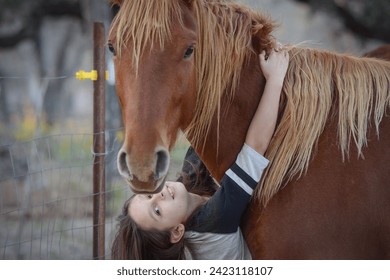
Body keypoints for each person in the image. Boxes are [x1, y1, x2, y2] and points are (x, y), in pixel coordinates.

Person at [111, 47, 290, 260]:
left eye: (149, 195)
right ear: (178, 231)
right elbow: (255, 147)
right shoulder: (212, 222)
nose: (159, 195)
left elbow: (208, 133)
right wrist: (275, 79)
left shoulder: (187, 187)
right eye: (157, 211)